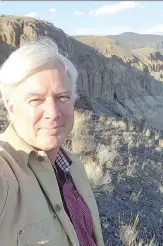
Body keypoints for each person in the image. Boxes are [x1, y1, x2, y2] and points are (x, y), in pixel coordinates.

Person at [0, 37, 104, 246]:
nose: (53, 112)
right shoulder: (5, 169)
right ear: (11, 106)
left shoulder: (74, 166)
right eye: (35, 99)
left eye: (62, 97)